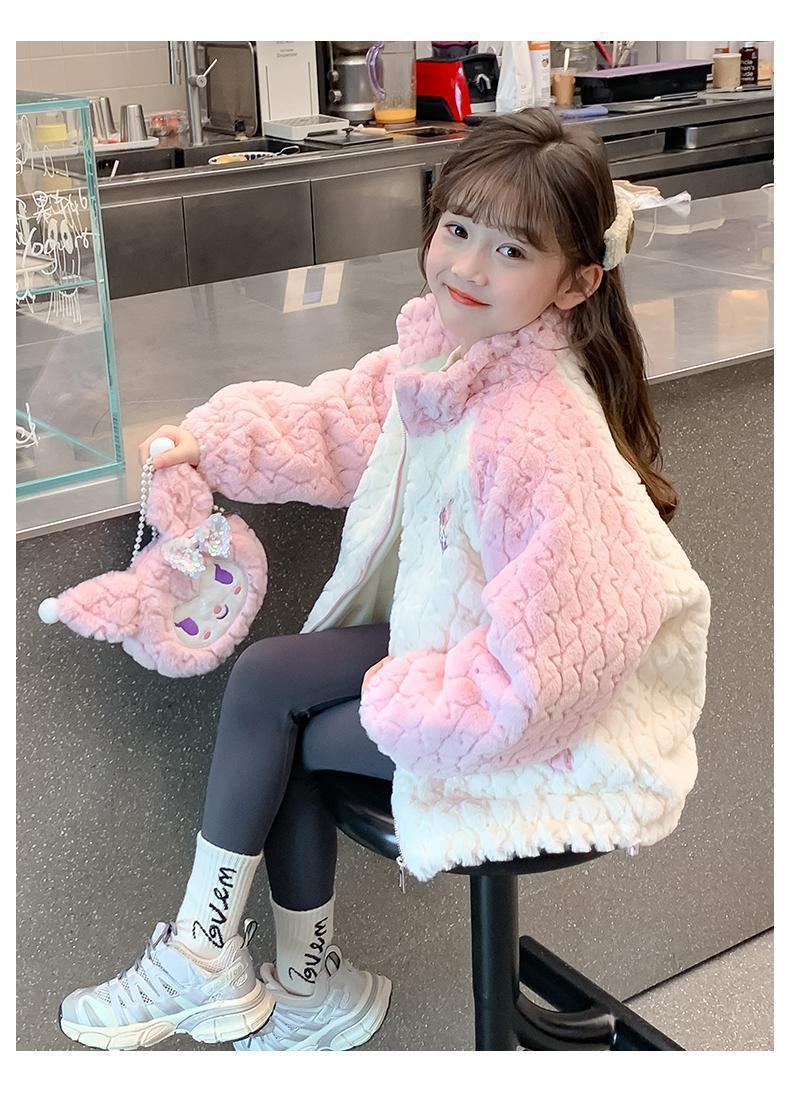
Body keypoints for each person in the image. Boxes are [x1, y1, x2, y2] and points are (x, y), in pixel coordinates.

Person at [58, 108, 710, 1052]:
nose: (468, 267)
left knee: (293, 730)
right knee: (273, 680)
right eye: (457, 229)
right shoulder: (452, 355)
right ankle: (261, 971)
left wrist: (415, 704)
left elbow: (574, 650)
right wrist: (211, 440)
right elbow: (351, 419)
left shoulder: (534, 427)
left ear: (575, 282)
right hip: (477, 649)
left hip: (550, 714)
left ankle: (261, 974)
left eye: (511, 250)